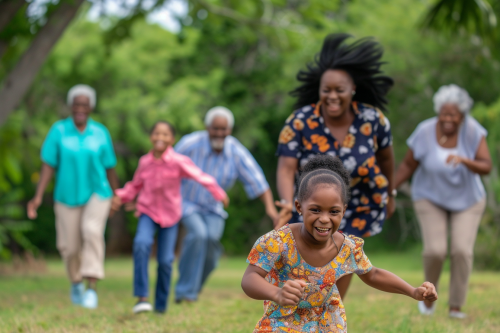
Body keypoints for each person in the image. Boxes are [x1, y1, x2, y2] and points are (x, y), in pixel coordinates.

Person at [242, 155, 438, 332]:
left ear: (343, 211)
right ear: (299, 207)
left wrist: (413, 292)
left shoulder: (348, 247)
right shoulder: (278, 241)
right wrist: (277, 294)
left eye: (333, 211)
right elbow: (250, 278)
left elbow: (374, 274)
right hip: (282, 321)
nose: (325, 219)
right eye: (316, 210)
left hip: (327, 323)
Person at [275, 33, 395, 299]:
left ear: (352, 89)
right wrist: (286, 201)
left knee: (342, 262)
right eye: (326, 90)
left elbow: (387, 160)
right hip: (314, 202)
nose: (332, 96)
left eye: (339, 90)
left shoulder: (373, 119)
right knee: (308, 265)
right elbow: (285, 167)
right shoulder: (300, 121)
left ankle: (330, 313)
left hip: (360, 202)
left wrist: (392, 193)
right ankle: (309, 309)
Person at [394, 84, 491, 319]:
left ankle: (456, 306)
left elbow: (486, 166)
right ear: (438, 112)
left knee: (461, 251)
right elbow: (408, 165)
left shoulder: (473, 131)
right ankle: (428, 297)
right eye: (444, 113)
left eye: (453, 114)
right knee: (436, 251)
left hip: (468, 200)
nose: (448, 118)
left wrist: (464, 160)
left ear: (462, 115)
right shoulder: (424, 131)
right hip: (430, 197)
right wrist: (389, 189)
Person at [111, 121, 228, 314]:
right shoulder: (145, 162)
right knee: (141, 244)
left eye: (165, 135)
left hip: (170, 215)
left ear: (172, 140)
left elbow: (199, 175)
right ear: (151, 137)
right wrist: (120, 197)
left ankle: (160, 306)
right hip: (147, 212)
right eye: (157, 133)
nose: (160, 138)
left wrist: (218, 192)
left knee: (165, 261)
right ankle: (142, 298)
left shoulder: (178, 161)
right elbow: (134, 186)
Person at [27, 84, 119, 309]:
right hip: (66, 196)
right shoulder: (58, 131)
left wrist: (117, 195)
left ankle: (91, 289)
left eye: (85, 105)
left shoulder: (100, 132)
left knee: (92, 231)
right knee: (70, 248)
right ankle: (76, 283)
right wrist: (38, 196)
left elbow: (110, 167)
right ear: (70, 106)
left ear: (91, 108)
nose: (80, 108)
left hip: (98, 193)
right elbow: (48, 165)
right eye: (77, 104)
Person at [174, 106, 279, 303]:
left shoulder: (235, 151)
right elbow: (166, 165)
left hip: (213, 208)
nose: (219, 133)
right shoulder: (190, 143)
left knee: (212, 248)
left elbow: (257, 180)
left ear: (229, 130)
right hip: (186, 202)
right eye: (215, 129)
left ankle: (192, 289)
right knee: (199, 235)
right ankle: (184, 292)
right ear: (207, 127)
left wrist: (270, 209)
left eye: (224, 130)